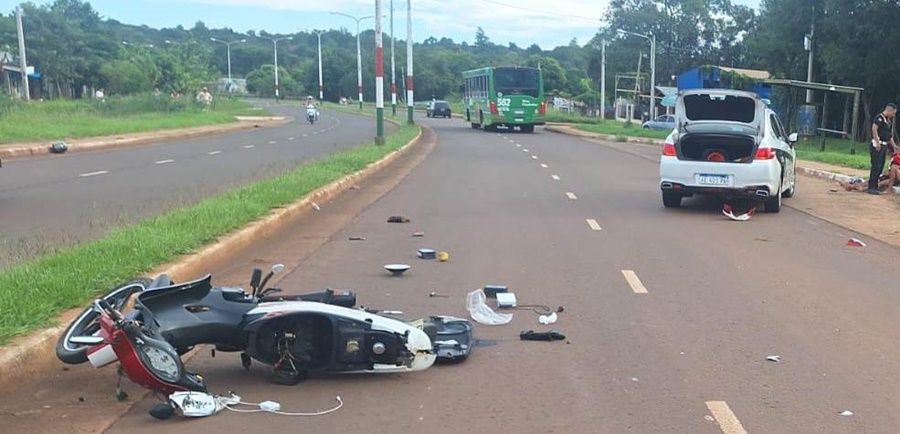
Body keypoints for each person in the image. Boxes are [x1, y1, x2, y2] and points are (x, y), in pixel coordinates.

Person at [867, 103, 897, 194]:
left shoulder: (888, 121)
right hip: (877, 144)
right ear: (889, 110)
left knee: (880, 166)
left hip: (884, 145)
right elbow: (874, 129)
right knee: (875, 166)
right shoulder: (879, 118)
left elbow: (889, 135)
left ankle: (875, 185)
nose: (893, 115)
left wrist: (894, 145)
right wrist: (877, 141)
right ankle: (871, 187)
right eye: (893, 113)